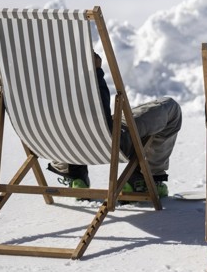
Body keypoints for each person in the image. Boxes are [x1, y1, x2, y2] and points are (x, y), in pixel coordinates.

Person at [47, 51, 182, 199]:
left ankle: (73, 173)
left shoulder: (31, 75)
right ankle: (142, 179)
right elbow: (98, 114)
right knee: (171, 109)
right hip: (105, 144)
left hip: (56, 147)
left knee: (69, 124)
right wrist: (96, 72)